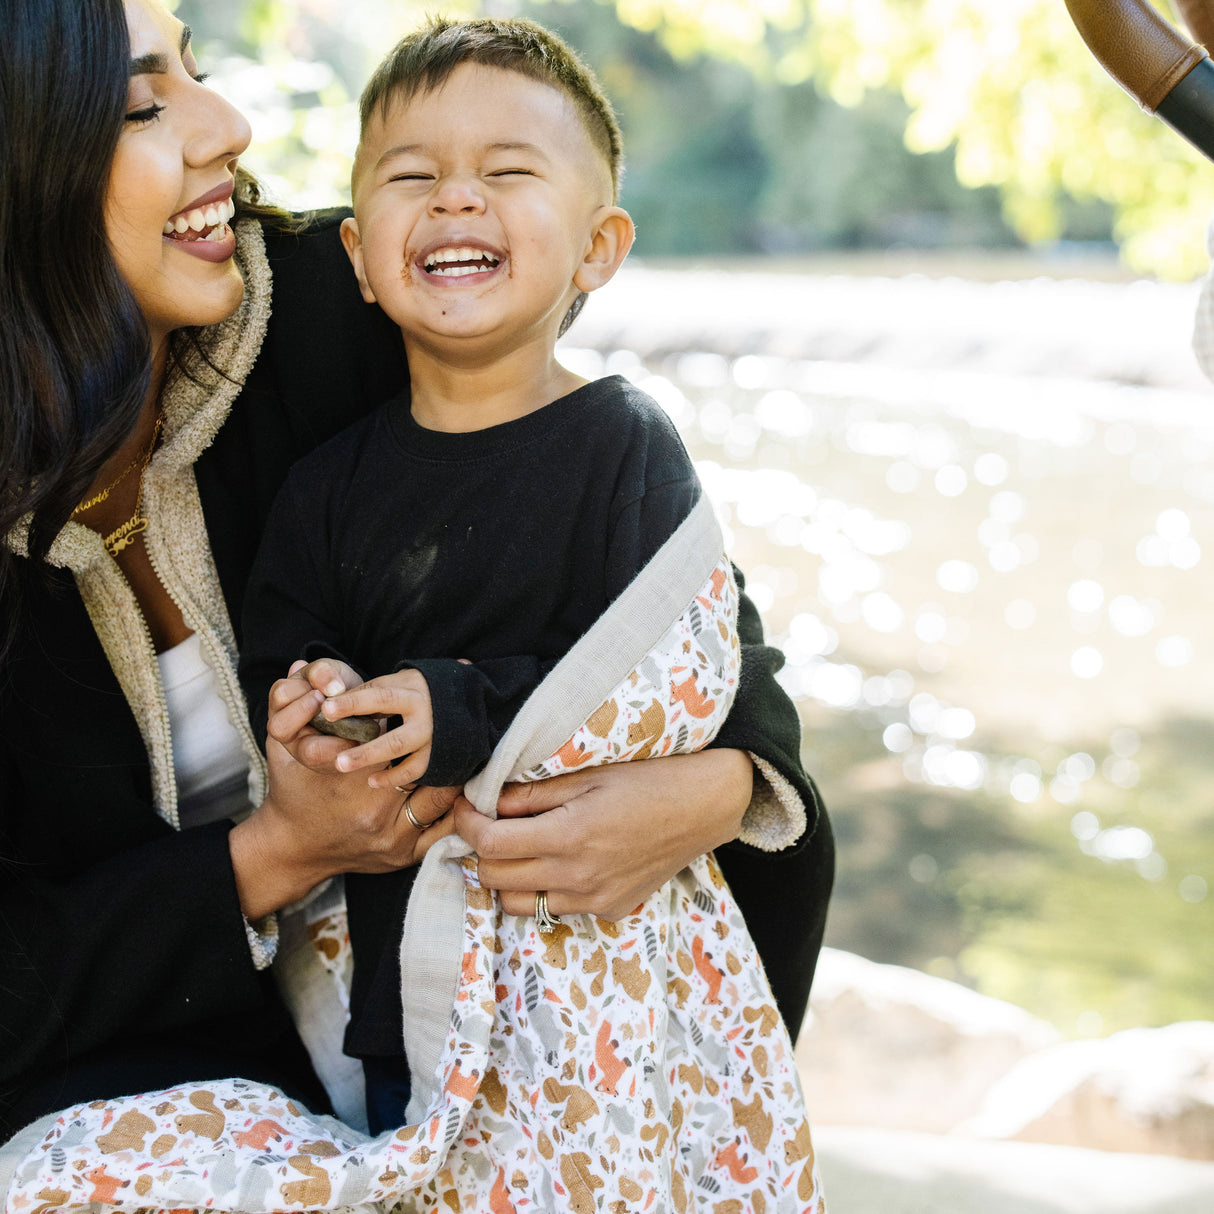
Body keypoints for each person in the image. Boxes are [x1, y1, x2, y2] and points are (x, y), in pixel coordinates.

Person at [0, 0, 832, 1177]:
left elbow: (679, 617)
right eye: (145, 101)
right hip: (114, 1078)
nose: (228, 124)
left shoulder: (338, 307)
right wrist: (273, 853)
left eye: (201, 66)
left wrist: (709, 786)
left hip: (478, 990)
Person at [238, 15, 820, 1171]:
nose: (456, 200)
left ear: (598, 246)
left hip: (604, 970)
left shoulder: (624, 449)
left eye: (506, 172)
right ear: (358, 254)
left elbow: (670, 684)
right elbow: (282, 648)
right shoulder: (325, 481)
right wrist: (320, 695)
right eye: (415, 177)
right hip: (407, 972)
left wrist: (456, 710)